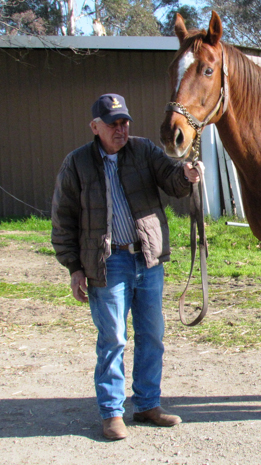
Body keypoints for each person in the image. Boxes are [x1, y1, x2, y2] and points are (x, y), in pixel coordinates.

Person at [51, 93, 203, 440]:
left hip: (147, 258)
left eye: (125, 122)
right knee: (114, 338)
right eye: (114, 123)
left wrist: (187, 174)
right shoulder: (76, 164)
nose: (121, 129)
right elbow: (63, 220)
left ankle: (148, 404)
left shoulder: (144, 150)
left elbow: (171, 179)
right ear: (95, 127)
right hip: (108, 262)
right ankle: (112, 412)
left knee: (152, 335)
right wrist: (74, 267)